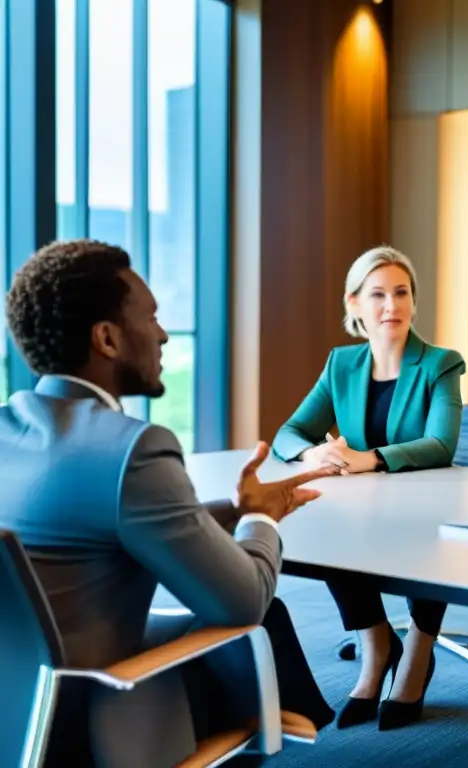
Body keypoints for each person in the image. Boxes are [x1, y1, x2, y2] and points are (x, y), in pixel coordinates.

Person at [0, 239, 337, 768]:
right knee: (262, 615)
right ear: (107, 338)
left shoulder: (10, 431)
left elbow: (98, 524)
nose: (161, 334)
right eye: (151, 317)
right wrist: (259, 519)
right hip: (91, 722)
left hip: (14, 712)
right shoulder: (131, 449)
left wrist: (231, 508)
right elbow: (241, 600)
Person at [272, 245, 465, 731]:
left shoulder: (441, 364)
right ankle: (377, 646)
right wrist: (311, 453)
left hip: (427, 507)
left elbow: (441, 443)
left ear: (414, 302)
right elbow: (288, 433)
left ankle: (419, 652)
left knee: (427, 534)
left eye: (401, 293)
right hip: (362, 511)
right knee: (332, 523)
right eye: (377, 294)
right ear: (354, 303)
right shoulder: (342, 365)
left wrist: (372, 458)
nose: (391, 306)